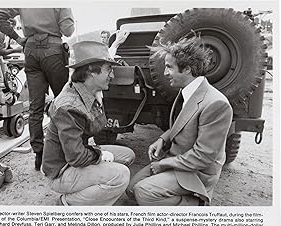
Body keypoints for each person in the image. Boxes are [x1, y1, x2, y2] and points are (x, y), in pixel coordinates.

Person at [127, 33, 233, 206]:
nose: (165, 73)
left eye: (169, 67)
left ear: (187, 69)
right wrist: (163, 138)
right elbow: (184, 124)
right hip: (179, 161)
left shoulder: (216, 104)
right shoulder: (187, 91)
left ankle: (196, 204)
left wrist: (163, 165)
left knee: (143, 192)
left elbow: (203, 156)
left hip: (197, 172)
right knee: (130, 189)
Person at [42, 41, 135, 206]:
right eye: (109, 70)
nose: (112, 76)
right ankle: (68, 203)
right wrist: (99, 155)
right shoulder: (69, 106)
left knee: (128, 156)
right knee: (121, 176)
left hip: (73, 157)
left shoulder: (85, 89)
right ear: (91, 71)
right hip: (61, 171)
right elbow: (76, 158)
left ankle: (90, 192)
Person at [0, 8, 75, 171]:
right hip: (53, 51)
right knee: (63, 103)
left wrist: (18, 38)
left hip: (30, 50)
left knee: (35, 107)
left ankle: (39, 155)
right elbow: (68, 31)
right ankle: (64, 152)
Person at [0, 18, 22, 82]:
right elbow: (0, 51)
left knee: (8, 78)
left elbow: (7, 48)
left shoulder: (7, 35)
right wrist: (16, 50)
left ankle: (6, 91)